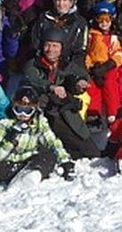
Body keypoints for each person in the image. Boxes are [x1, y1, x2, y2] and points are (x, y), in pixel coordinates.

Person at [21, 27, 99, 159]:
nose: (50, 49)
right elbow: (32, 79)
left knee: (89, 149)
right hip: (40, 111)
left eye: (55, 46)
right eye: (47, 45)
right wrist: (51, 87)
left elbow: (80, 74)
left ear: (62, 48)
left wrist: (80, 82)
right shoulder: (33, 64)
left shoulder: (65, 65)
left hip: (63, 111)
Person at [0, 86, 75, 185]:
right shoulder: (6, 124)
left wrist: (65, 160)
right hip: (9, 165)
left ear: (34, 109)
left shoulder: (38, 123)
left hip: (29, 161)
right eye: (19, 109)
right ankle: (21, 178)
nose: (23, 114)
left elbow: (52, 141)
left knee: (49, 156)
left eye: (28, 111)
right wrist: (10, 141)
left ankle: (31, 175)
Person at [85, 1, 122, 125]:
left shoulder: (113, 38)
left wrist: (109, 65)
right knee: (92, 87)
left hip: (108, 67)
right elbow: (86, 52)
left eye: (107, 20)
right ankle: (93, 112)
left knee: (110, 85)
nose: (104, 23)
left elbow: (118, 53)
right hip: (94, 67)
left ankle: (113, 113)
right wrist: (90, 66)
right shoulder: (91, 36)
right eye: (101, 20)